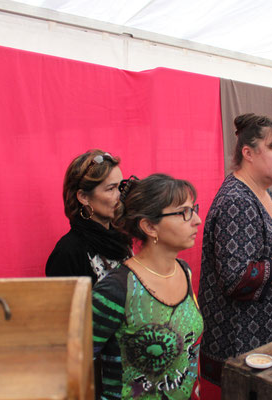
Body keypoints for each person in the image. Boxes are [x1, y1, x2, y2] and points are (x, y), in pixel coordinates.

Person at [198, 113, 272, 395]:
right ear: (248, 153)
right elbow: (237, 280)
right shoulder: (237, 201)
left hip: (269, 346)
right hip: (244, 349)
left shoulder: (262, 192)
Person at [92, 173, 204, 400]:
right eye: (184, 212)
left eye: (194, 209)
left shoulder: (183, 270)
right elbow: (72, 360)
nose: (197, 220)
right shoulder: (117, 290)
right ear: (150, 227)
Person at [46, 150, 132, 285]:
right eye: (111, 189)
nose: (120, 196)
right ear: (83, 197)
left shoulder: (122, 239)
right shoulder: (68, 252)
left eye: (120, 187)